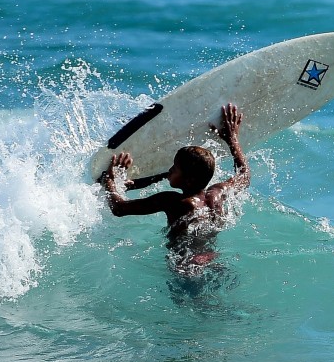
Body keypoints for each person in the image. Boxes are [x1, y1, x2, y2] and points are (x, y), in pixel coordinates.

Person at [98, 103, 250, 272]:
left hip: (186, 267)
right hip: (211, 261)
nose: (169, 170)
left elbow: (118, 208)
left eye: (175, 168)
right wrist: (232, 139)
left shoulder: (174, 201)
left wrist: (110, 180)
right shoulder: (217, 193)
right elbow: (244, 177)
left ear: (189, 180)